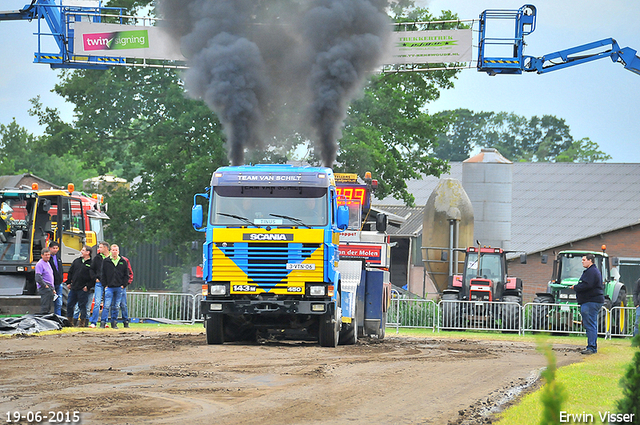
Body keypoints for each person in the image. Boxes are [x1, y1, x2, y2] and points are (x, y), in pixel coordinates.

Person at [571, 254, 605, 354]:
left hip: (591, 301)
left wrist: (575, 287)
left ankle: (591, 347)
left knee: (590, 324)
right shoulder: (592, 271)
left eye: (584, 260)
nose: (582, 262)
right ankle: (591, 346)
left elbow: (587, 285)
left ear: (590, 260)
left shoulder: (591, 272)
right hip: (591, 301)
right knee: (590, 323)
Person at [100, 244, 130, 329]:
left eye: (116, 250)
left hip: (119, 287)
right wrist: (105, 285)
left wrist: (123, 285)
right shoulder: (106, 261)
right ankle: (103, 322)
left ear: (118, 251)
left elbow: (126, 275)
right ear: (110, 251)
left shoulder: (123, 261)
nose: (114, 251)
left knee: (116, 306)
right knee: (106, 305)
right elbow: (103, 274)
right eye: (113, 250)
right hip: (109, 287)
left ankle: (114, 322)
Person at [65, 246, 94, 327]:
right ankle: (69, 322)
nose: (81, 251)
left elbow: (93, 277)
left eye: (83, 250)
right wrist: (68, 282)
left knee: (83, 306)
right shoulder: (77, 261)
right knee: (69, 304)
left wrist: (88, 286)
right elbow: (70, 272)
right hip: (74, 287)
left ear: (88, 252)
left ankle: (82, 322)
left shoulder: (91, 263)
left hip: (83, 289)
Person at [89, 242, 110, 328]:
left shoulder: (111, 258)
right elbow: (91, 269)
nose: (99, 249)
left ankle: (104, 321)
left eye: (101, 247)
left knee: (107, 304)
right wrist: (95, 278)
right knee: (97, 303)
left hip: (108, 284)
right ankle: (93, 322)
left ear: (106, 248)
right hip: (99, 283)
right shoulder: (97, 258)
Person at [35, 248, 56, 314]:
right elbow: (38, 277)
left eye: (48, 255)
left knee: (49, 306)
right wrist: (45, 286)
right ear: (42, 255)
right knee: (45, 306)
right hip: (44, 288)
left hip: (50, 287)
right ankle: (43, 319)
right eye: (46, 255)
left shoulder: (48, 263)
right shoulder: (40, 264)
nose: (47, 256)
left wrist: (52, 288)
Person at [117, 255, 134, 328]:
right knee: (112, 305)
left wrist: (125, 284)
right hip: (111, 286)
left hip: (121, 286)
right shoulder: (107, 260)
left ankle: (126, 321)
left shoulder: (124, 260)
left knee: (123, 305)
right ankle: (113, 322)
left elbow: (129, 273)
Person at [48, 241, 64, 316]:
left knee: (59, 302)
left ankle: (58, 317)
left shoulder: (58, 257)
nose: (55, 250)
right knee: (48, 302)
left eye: (56, 248)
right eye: (53, 248)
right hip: (50, 284)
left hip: (58, 283)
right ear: (49, 248)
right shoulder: (48, 258)